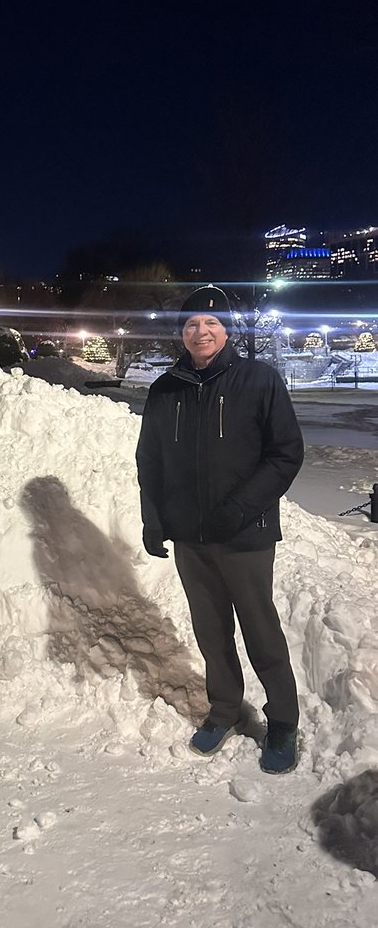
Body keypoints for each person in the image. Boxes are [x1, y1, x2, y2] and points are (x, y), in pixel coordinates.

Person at [135, 286, 305, 774]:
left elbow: (285, 454)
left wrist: (241, 507)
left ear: (227, 329)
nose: (201, 331)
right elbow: (150, 460)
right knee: (212, 633)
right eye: (191, 325)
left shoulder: (258, 379)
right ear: (182, 334)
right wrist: (154, 516)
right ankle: (225, 709)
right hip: (191, 539)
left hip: (246, 536)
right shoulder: (165, 389)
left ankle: (284, 722)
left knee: (261, 632)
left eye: (211, 323)